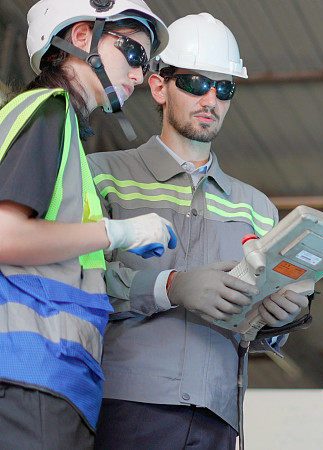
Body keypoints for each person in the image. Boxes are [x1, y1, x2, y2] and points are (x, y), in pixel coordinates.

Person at [89, 13, 310, 449]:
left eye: (224, 88)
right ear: (158, 87)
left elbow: (258, 321)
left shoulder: (258, 208)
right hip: (123, 405)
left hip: (217, 416)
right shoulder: (102, 176)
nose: (211, 98)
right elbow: (75, 278)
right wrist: (168, 287)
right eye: (195, 83)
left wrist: (281, 319)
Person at [0, 0, 172, 448]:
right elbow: (5, 235)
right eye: (133, 53)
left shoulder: (57, 127)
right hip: (26, 376)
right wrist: (119, 232)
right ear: (81, 37)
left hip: (48, 380)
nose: (138, 74)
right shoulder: (47, 111)